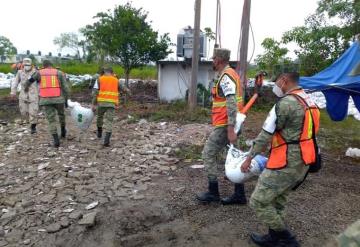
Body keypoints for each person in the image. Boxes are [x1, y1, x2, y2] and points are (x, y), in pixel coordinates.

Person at [241, 72, 320, 247]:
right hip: (305, 160)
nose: (276, 85)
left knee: (258, 201)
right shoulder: (310, 101)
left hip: (285, 161)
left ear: (284, 81)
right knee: (279, 200)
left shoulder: (285, 104)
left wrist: (248, 158)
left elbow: (264, 136)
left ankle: (287, 239)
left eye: (277, 81)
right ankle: (274, 238)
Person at [196, 48, 246, 205]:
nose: (213, 61)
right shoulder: (232, 74)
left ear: (218, 59)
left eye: (213, 59)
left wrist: (230, 128)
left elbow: (231, 102)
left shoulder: (225, 77)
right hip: (232, 123)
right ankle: (239, 194)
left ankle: (213, 192)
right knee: (235, 157)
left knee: (208, 154)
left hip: (226, 125)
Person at [29, 60, 69, 147]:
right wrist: (66, 100)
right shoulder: (59, 72)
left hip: (46, 100)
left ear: (43, 65)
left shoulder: (39, 72)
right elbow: (66, 88)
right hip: (59, 99)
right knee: (61, 115)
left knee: (51, 120)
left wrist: (25, 87)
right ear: (52, 65)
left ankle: (56, 140)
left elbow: (30, 80)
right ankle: (63, 131)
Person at [91, 66, 130, 147]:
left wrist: (93, 104)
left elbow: (95, 93)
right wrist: (129, 93)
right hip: (111, 104)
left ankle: (99, 132)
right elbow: (124, 89)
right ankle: (106, 140)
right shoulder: (116, 80)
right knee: (109, 121)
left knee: (99, 117)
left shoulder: (99, 79)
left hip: (101, 103)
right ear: (112, 72)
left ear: (104, 72)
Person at [10, 58, 39, 133]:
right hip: (23, 95)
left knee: (33, 112)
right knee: (24, 111)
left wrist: (41, 93)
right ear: (23, 65)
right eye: (25, 64)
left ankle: (33, 127)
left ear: (31, 64)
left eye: (28, 64)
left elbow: (41, 83)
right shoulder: (20, 72)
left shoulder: (36, 72)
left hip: (33, 95)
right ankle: (29, 121)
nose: (26, 66)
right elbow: (15, 82)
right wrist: (13, 92)